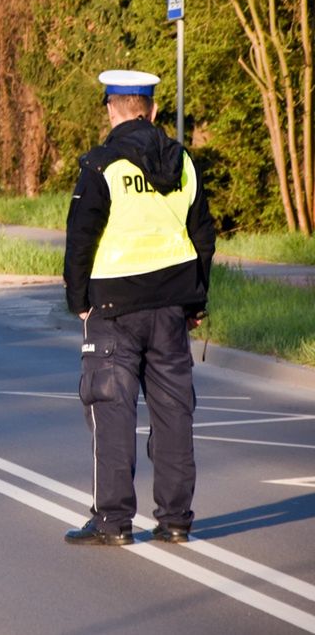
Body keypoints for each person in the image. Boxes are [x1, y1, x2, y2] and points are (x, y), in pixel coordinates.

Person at [63, 69, 216, 547]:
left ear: (112, 109)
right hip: (172, 305)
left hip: (113, 306)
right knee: (174, 412)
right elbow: (203, 237)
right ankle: (174, 521)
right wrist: (194, 301)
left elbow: (80, 241)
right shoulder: (184, 163)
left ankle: (112, 522)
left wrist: (78, 303)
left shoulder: (101, 165)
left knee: (111, 407)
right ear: (151, 110)